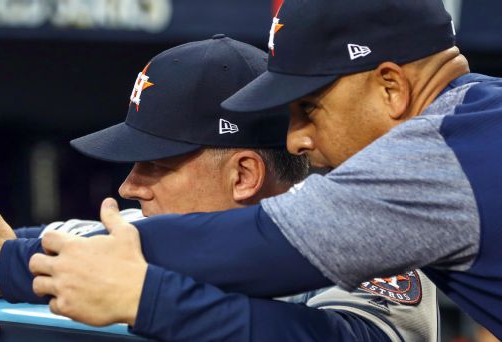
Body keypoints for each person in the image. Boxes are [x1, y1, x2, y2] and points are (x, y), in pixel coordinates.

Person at [0, 36, 439, 341]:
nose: (131, 187)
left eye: (154, 165)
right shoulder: (122, 235)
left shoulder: (368, 249)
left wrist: (147, 299)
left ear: (244, 175)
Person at [25, 0, 502, 339]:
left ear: (392, 87)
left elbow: (262, 249)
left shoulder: (437, 161)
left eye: (309, 109)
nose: (296, 138)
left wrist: (146, 299)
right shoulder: (479, 122)